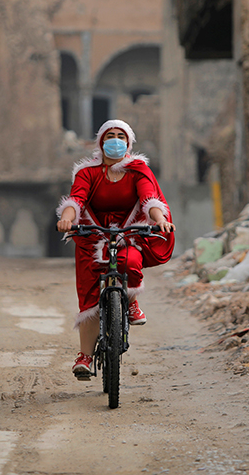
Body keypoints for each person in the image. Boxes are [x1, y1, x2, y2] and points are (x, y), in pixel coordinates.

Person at [56, 119, 176, 379]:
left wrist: (160, 219)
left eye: (121, 136)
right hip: (92, 234)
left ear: (129, 142)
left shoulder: (138, 170)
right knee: (89, 300)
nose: (115, 140)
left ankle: (131, 301)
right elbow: (76, 199)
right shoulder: (87, 173)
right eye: (110, 135)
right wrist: (67, 218)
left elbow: (148, 198)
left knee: (130, 261)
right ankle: (85, 357)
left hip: (128, 233)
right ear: (101, 141)